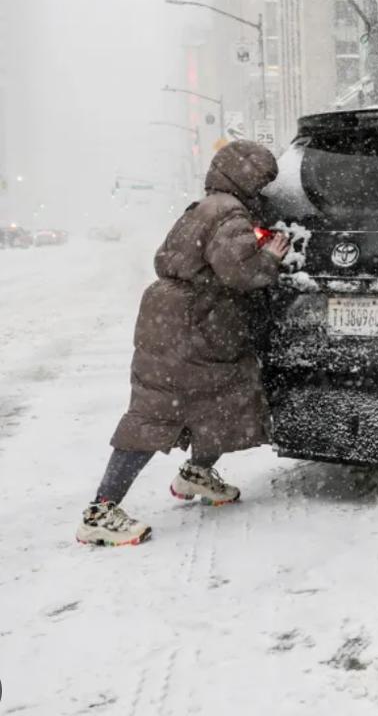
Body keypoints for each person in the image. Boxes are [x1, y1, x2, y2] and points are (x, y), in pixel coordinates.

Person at [76, 141, 290, 546]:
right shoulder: (229, 211)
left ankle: (197, 474)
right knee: (157, 415)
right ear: (246, 177)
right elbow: (239, 271)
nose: (263, 190)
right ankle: (100, 511)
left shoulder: (210, 206)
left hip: (186, 320)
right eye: (261, 181)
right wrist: (272, 257)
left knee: (229, 400)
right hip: (191, 326)